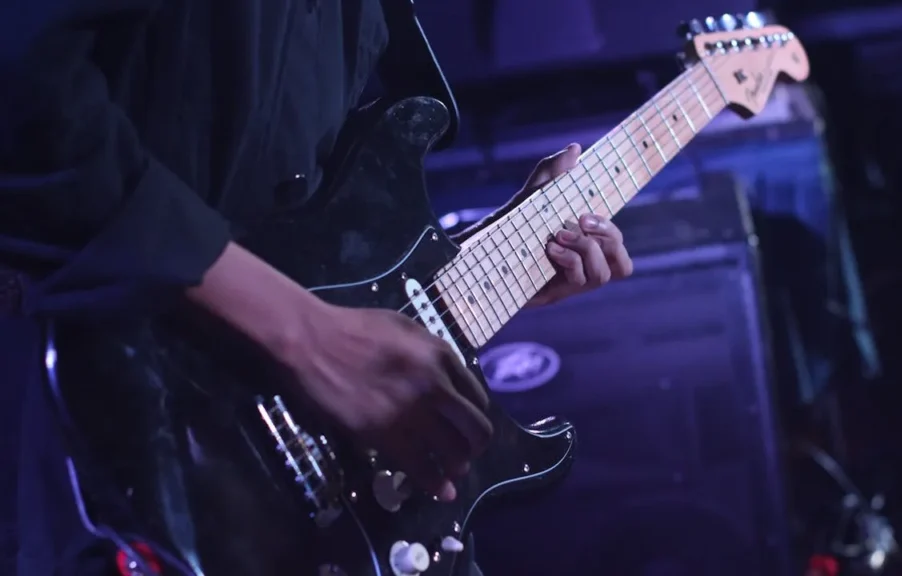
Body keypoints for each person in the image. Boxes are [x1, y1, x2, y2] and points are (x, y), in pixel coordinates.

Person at [0, 0, 634, 574]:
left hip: (306, 500)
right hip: (105, 434)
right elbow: (26, 101)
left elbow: (301, 231)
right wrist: (302, 335)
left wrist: (490, 260)